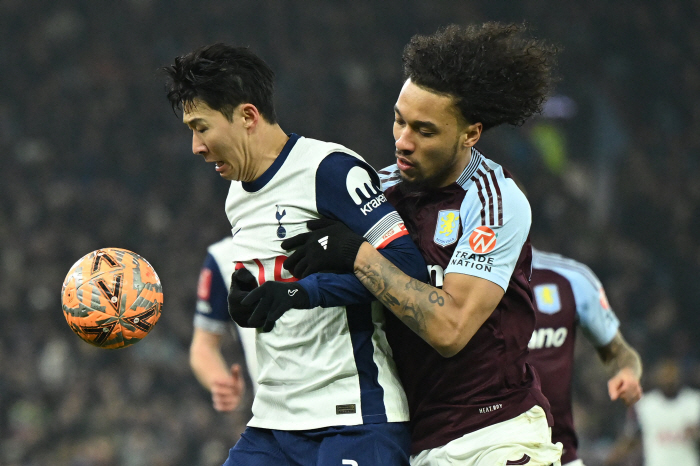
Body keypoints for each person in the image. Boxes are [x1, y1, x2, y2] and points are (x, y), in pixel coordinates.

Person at [281, 23, 563, 465]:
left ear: (470, 133)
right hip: (407, 441)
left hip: (493, 434)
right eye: (399, 120)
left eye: (425, 131)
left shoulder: (494, 200)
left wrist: (358, 255)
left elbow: (450, 330)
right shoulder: (379, 191)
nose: (402, 141)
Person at [163, 43, 427, 466]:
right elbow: (279, 291)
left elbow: (408, 272)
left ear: (247, 116)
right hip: (274, 424)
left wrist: (298, 294)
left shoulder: (330, 170)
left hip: (352, 417)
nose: (195, 146)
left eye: (201, 127)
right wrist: (248, 304)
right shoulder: (236, 195)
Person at [528, 247, 643, 466]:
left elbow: (620, 352)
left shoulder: (571, 278)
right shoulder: (455, 277)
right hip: (481, 449)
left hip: (559, 452)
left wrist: (627, 373)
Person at [190, 236, 258, 412]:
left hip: (336, 405)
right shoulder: (225, 258)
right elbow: (203, 345)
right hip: (277, 415)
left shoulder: (327, 239)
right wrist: (221, 382)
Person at [606, 358, 700, 466]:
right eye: (665, 376)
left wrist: (697, 433)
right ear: (657, 378)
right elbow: (630, 437)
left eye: (672, 376)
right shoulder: (645, 406)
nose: (669, 380)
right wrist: (611, 459)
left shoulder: (695, 402)